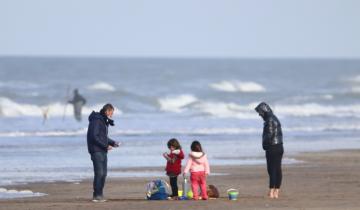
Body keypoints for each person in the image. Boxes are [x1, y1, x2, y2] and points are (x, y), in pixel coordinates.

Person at [87, 103, 120, 202]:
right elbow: (94, 136)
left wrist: (113, 143)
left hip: (102, 150)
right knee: (99, 173)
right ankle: (96, 195)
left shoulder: (103, 121)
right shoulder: (97, 120)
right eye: (111, 112)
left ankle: (99, 194)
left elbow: (103, 137)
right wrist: (105, 145)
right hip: (96, 150)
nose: (112, 115)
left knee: (104, 173)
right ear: (107, 111)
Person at [255, 102, 284, 199]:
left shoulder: (269, 120)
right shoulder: (274, 118)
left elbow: (269, 135)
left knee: (271, 169)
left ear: (264, 111)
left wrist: (264, 145)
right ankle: (276, 191)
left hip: (272, 147)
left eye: (260, 112)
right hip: (279, 146)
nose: (259, 115)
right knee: (277, 169)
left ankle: (271, 192)